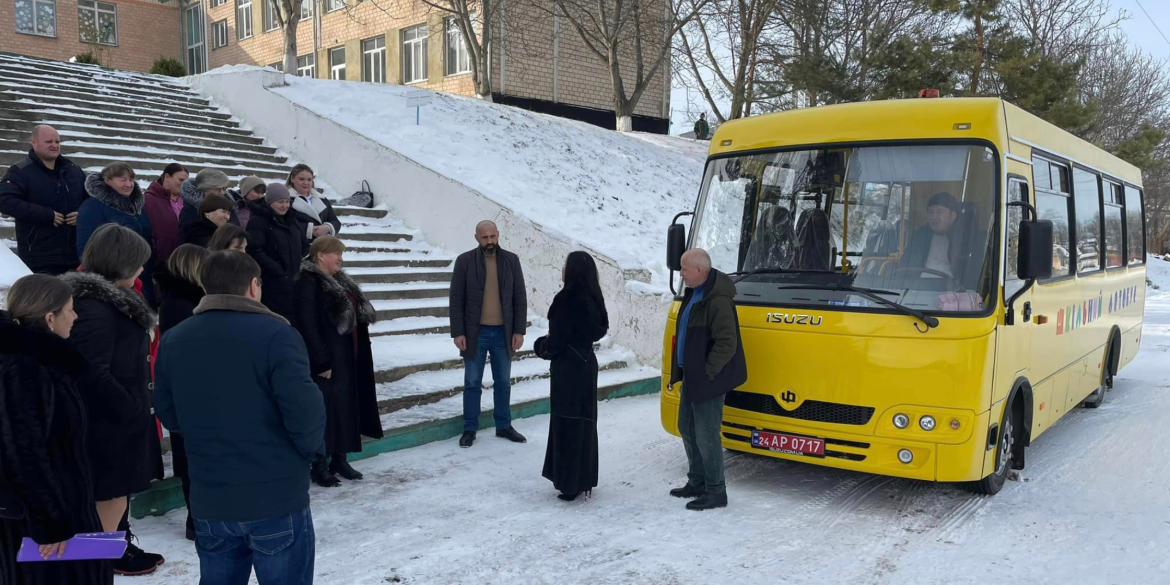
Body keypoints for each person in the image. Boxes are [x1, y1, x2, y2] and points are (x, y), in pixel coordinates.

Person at [154, 250, 325, 585]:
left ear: (205, 286)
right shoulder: (277, 334)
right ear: (253, 286)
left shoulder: (175, 339)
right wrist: (309, 454)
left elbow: (169, 412)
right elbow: (305, 411)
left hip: (211, 498)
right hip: (274, 498)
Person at [60, 224, 165, 574]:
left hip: (116, 417)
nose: (142, 269)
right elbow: (91, 371)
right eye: (137, 262)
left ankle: (103, 557)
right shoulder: (95, 307)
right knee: (109, 494)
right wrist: (131, 408)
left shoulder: (111, 299)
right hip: (107, 422)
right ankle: (93, 564)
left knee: (113, 495)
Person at [0, 275, 112, 585]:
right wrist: (50, 523)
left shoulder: (44, 362)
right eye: (71, 310)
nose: (76, 317)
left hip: (61, 508)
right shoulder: (26, 369)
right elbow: (23, 451)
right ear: (50, 318)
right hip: (49, 524)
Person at [294, 236, 384, 487]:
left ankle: (339, 458)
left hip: (349, 356)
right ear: (320, 255)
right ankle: (318, 464)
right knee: (324, 412)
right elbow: (307, 325)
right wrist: (321, 361)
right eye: (337, 253)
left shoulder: (340, 281)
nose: (341, 258)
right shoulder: (308, 282)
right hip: (327, 360)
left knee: (345, 407)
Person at [668, 248, 747, 511]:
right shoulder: (695, 293)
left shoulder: (718, 300)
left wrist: (707, 372)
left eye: (684, 268)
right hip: (692, 376)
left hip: (707, 380)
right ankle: (697, 482)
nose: (680, 273)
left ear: (699, 270)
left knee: (706, 435)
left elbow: (727, 343)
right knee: (687, 428)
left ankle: (716, 491)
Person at [533, 251, 608, 502]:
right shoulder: (595, 297)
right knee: (585, 420)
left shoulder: (566, 299)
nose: (562, 269)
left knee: (566, 421)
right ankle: (583, 477)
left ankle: (569, 483)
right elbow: (599, 329)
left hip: (568, 366)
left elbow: (557, 340)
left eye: (565, 265)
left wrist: (541, 346)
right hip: (587, 362)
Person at [449, 220, 528, 448]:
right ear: (477, 238)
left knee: (503, 381)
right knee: (472, 382)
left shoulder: (511, 261)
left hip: (503, 333)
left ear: (498, 235)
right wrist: (458, 332)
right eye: (485, 237)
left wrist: (519, 330)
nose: (490, 241)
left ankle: (503, 425)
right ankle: (470, 428)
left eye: (493, 236)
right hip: (476, 333)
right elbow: (456, 300)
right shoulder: (465, 261)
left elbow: (519, 298)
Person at [152, 244, 209, 542]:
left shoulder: (180, 299)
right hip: (190, 391)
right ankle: (197, 519)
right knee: (191, 459)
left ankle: (197, 518)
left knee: (191, 458)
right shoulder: (183, 302)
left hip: (185, 391)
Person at [0, 125, 86, 275]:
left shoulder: (73, 170)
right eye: (49, 142)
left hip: (75, 256)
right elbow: (5, 201)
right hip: (39, 257)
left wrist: (83, 214)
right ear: (33, 142)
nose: (54, 146)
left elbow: (91, 198)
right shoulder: (20, 171)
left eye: (57, 142)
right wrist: (45, 215)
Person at [76, 163, 156, 305]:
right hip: (116, 277)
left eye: (131, 180)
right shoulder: (93, 206)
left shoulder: (137, 206)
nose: (128, 184)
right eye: (122, 179)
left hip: (141, 273)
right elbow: (86, 247)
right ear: (107, 180)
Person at [246, 183, 307, 325]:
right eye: (280, 202)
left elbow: (304, 245)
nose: (284, 206)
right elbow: (255, 250)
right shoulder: (258, 222)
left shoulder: (292, 221)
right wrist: (276, 269)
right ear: (270, 202)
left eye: (287, 202)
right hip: (272, 283)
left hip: (295, 280)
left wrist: (302, 262)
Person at [901, 191, 963, 278]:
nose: (934, 217)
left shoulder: (965, 239)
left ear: (953, 215)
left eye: (939, 212)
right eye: (931, 212)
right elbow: (904, 266)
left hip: (952, 288)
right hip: (919, 286)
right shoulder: (918, 237)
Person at [142, 163, 190, 266]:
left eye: (186, 182)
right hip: (158, 262)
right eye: (181, 180)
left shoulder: (186, 201)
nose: (184, 184)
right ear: (167, 177)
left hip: (183, 260)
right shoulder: (149, 200)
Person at [286, 165, 340, 241]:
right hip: (298, 245)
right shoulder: (286, 200)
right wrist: (311, 230)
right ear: (292, 179)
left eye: (309, 180)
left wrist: (327, 228)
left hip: (322, 246)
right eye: (301, 179)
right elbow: (285, 223)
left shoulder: (322, 199)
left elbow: (335, 221)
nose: (306, 183)